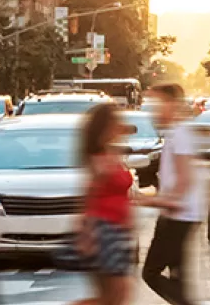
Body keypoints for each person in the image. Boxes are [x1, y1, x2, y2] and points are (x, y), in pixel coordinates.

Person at [139, 83, 203, 305]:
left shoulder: (181, 134)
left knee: (151, 272)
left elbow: (185, 179)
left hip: (178, 216)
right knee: (178, 278)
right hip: (177, 215)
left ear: (172, 104)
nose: (153, 111)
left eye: (157, 104)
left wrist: (158, 201)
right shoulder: (176, 133)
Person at [74, 103, 136, 305]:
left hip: (119, 229)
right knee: (116, 294)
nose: (120, 123)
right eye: (115, 120)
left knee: (115, 296)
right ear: (106, 125)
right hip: (105, 229)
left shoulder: (111, 152)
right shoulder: (98, 157)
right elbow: (90, 196)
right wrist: (87, 232)